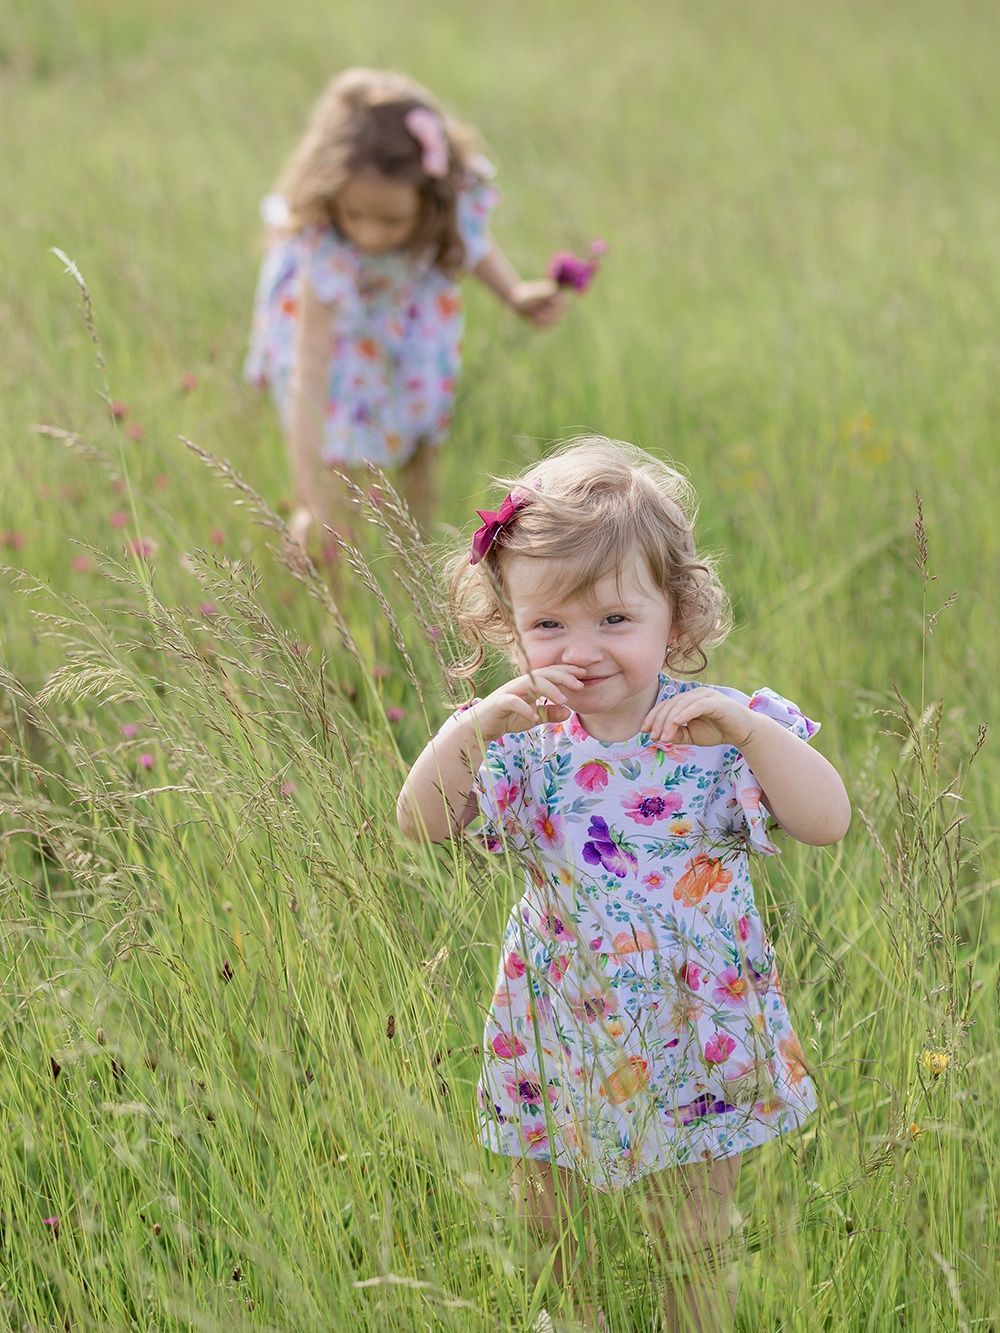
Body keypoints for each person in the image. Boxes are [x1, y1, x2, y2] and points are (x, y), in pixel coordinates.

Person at [397, 436, 851, 1329]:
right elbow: (420, 821)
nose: (583, 650)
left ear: (675, 619)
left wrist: (752, 734)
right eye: (549, 626)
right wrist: (472, 728)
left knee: (696, 1232)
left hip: (698, 1018)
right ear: (510, 630)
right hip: (558, 1016)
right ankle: (572, 1317)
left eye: (613, 619)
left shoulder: (719, 730)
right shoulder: (522, 740)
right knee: (546, 1216)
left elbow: (827, 819)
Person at [244, 67, 567, 547]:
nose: (370, 236)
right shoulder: (328, 248)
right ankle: (340, 542)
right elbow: (309, 374)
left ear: (430, 202)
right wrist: (307, 500)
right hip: (343, 358)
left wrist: (515, 294)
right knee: (345, 460)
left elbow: (471, 244)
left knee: (418, 439)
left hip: (414, 349)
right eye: (355, 214)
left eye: (392, 220)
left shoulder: (444, 211)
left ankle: (416, 545)